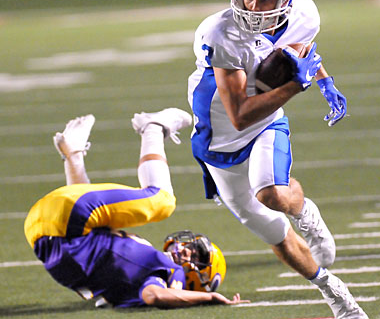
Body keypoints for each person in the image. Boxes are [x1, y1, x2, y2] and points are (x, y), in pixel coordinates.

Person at [187, 0, 368, 319]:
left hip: (265, 122)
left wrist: (323, 79)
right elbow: (238, 114)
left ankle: (307, 216)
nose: (252, 5)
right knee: (273, 233)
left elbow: (294, 60)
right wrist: (295, 87)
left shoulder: (304, 14)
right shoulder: (221, 33)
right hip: (218, 140)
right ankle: (333, 289)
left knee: (272, 193)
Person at [23, 108, 249, 308]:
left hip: (60, 222)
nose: (188, 249)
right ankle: (73, 156)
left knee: (162, 201)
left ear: (198, 280)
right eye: (194, 248)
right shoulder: (130, 281)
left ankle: (153, 127)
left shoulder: (170, 273)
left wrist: (209, 298)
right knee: (98, 225)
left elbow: (155, 296)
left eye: (198, 254)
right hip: (44, 230)